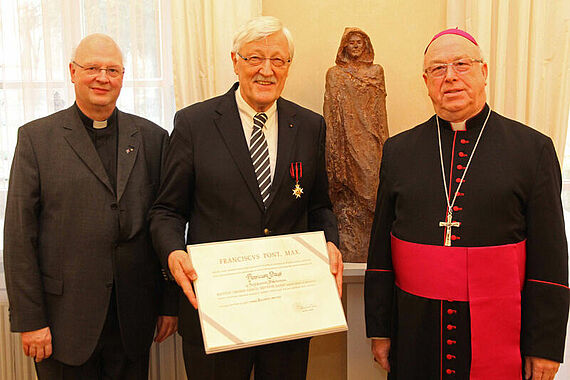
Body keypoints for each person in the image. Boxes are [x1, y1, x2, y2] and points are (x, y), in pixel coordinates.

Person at [364, 28, 569, 380]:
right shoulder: (398, 151)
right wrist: (380, 328)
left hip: (501, 325)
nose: (451, 77)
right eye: (439, 69)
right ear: (426, 81)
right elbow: (381, 248)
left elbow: (549, 255)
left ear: (484, 72)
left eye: (462, 64)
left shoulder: (532, 149)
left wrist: (544, 345)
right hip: (416, 328)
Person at [149, 16, 342, 380]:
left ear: (288, 67)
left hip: (288, 313)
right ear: (235, 61)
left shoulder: (310, 125)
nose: (266, 70)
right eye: (254, 58)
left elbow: (319, 207)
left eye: (277, 60)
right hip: (217, 311)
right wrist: (173, 251)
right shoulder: (195, 124)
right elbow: (166, 210)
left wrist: (330, 241)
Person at [3, 33, 178, 379]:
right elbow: (19, 237)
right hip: (62, 324)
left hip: (132, 323)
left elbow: (166, 223)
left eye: (112, 69)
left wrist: (168, 303)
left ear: (123, 77)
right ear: (72, 71)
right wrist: (31, 320)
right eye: (92, 68)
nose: (103, 77)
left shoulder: (153, 139)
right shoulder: (36, 140)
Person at [324, 27, 389, 262]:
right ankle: (350, 241)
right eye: (351, 42)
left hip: (370, 139)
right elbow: (331, 112)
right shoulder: (335, 74)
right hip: (344, 139)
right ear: (344, 46)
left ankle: (372, 243)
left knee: (372, 187)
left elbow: (380, 113)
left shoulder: (376, 72)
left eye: (359, 42)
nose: (355, 46)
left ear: (366, 45)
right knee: (346, 192)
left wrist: (385, 145)